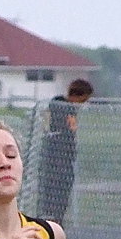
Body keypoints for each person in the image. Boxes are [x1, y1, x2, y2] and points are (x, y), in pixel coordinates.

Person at [37, 77, 94, 222]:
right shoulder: (63, 107)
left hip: (60, 162)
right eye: (83, 99)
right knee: (55, 199)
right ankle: (52, 222)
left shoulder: (65, 109)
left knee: (57, 200)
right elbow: (68, 129)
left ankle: (55, 222)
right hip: (58, 163)